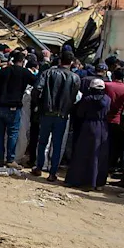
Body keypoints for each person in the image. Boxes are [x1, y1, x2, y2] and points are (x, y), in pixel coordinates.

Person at [32, 50, 81, 181]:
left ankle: (38, 167)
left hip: (46, 112)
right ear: (71, 63)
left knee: (42, 142)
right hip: (62, 115)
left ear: (60, 60)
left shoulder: (48, 73)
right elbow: (74, 97)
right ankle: (52, 173)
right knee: (57, 144)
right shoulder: (75, 78)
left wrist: (38, 104)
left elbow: (37, 89)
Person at [0, 51, 37, 168]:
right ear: (23, 61)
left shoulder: (3, 71)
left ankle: (0, 158)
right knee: (12, 133)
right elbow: (36, 82)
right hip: (13, 107)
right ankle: (10, 159)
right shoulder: (25, 72)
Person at [65, 79, 111, 190]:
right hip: (103, 127)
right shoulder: (108, 99)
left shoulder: (87, 99)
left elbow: (80, 113)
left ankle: (79, 180)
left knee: (83, 153)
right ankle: (97, 182)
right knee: (99, 155)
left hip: (89, 126)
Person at [105, 68, 124, 174]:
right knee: (115, 145)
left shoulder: (107, 85)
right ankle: (111, 165)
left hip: (105, 118)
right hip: (118, 120)